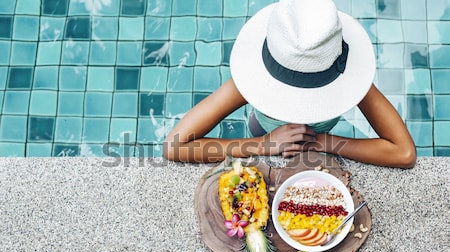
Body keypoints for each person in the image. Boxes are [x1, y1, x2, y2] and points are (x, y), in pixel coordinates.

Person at [163, 0, 416, 168]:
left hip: (316, 140)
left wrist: (322, 142)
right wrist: (264, 145)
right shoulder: (246, 84)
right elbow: (174, 146)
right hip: (264, 133)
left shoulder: (345, 71)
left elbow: (404, 153)